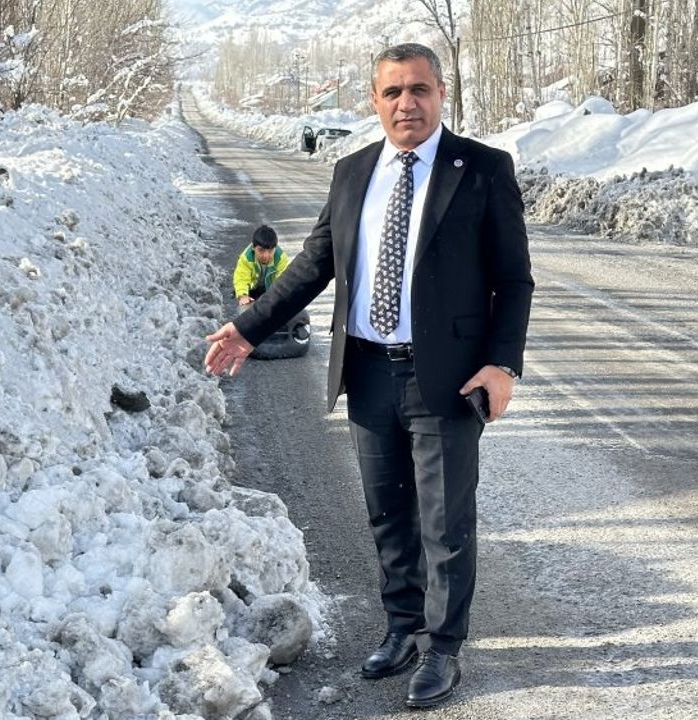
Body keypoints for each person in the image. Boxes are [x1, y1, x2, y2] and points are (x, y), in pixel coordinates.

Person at [204, 43, 533, 709]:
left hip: (448, 377)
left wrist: (501, 364)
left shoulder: (482, 169)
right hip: (369, 370)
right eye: (393, 92)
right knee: (387, 513)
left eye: (419, 90)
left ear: (441, 94)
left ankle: (444, 647)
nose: (407, 103)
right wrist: (249, 327)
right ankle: (403, 627)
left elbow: (514, 278)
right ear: (375, 101)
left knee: (444, 520)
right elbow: (312, 264)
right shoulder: (353, 171)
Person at [233, 224, 289, 308]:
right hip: (251, 290)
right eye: (261, 250)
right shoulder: (246, 258)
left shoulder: (281, 258)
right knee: (245, 307)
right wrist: (243, 296)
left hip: (270, 290)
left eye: (270, 251)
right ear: (253, 247)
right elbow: (241, 278)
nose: (265, 256)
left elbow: (282, 282)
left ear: (275, 248)